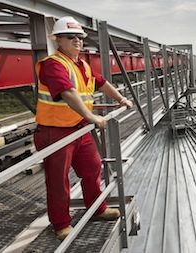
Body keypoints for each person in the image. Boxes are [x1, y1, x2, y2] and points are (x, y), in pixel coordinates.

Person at [33, 16, 133, 240]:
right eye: (71, 37)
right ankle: (61, 224)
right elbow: (68, 93)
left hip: (78, 128)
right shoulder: (53, 64)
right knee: (59, 180)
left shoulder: (82, 65)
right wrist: (91, 117)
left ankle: (97, 208)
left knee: (92, 168)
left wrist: (120, 99)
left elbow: (102, 82)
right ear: (58, 40)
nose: (77, 41)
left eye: (80, 37)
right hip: (55, 131)